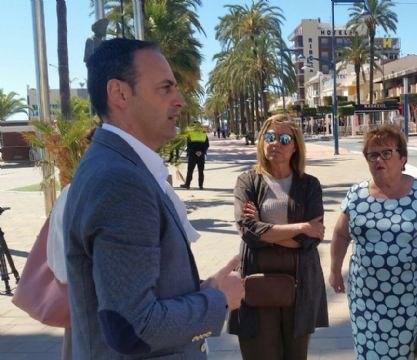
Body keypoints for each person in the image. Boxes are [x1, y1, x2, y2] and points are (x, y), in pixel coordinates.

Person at [63, 38, 244, 359]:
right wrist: (218, 300)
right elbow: (132, 328)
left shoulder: (117, 166)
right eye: (165, 88)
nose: (180, 100)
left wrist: (203, 290)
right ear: (120, 94)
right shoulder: (120, 181)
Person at [330, 124, 417, 360]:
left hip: (415, 297)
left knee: (414, 353)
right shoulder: (356, 194)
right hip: (367, 298)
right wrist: (335, 271)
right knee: (371, 353)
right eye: (373, 155)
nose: (379, 160)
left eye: (386, 153)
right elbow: (340, 234)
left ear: (403, 157)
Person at [229, 114, 328, 360]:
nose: (276, 143)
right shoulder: (248, 181)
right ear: (262, 141)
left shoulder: (310, 185)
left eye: (284, 138)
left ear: (295, 146)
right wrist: (301, 227)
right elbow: (248, 230)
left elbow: (311, 240)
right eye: (270, 137)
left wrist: (268, 232)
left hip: (300, 284)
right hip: (257, 282)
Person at [180, 123, 210, 190]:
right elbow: (207, 145)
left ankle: (187, 185)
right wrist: (201, 152)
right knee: (201, 171)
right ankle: (201, 186)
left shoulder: (190, 135)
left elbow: (189, 145)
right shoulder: (204, 135)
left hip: (192, 155)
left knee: (190, 170)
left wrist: (195, 152)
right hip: (201, 156)